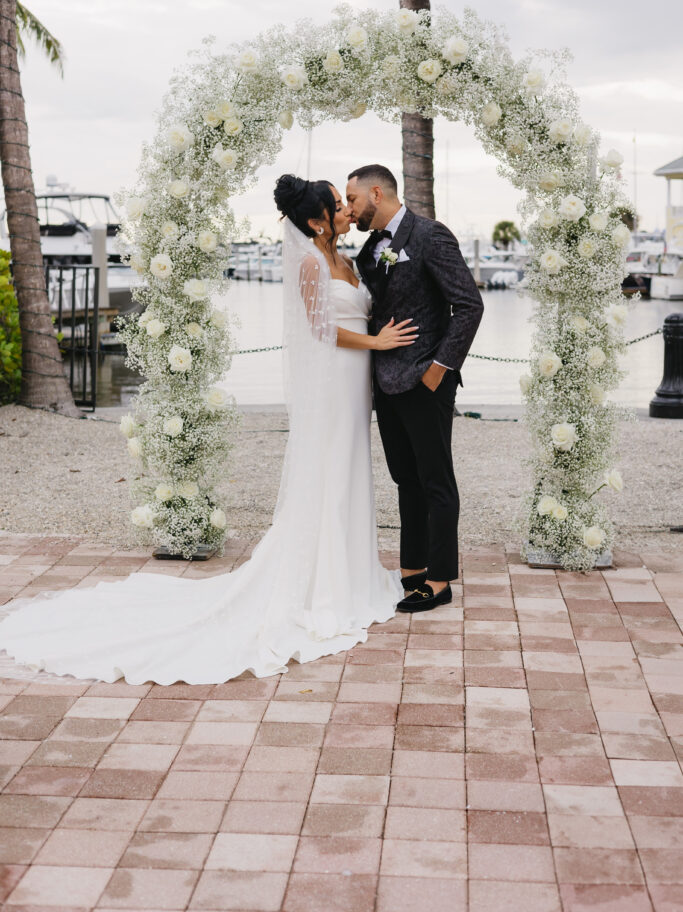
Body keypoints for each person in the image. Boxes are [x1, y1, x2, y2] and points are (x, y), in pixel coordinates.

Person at [0, 176, 413, 685]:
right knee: (327, 472)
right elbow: (321, 330)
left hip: (355, 389)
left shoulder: (347, 261)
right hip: (332, 387)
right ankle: (323, 586)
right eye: (337, 206)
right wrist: (380, 343)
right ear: (315, 221)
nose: (347, 211)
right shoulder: (308, 263)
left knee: (350, 470)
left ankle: (350, 572)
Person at [347, 164, 484, 613]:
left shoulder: (430, 235)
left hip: (426, 381)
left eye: (352, 200)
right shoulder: (370, 250)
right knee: (405, 480)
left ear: (376, 192)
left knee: (435, 481)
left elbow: (468, 305)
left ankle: (441, 580)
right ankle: (413, 570)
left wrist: (438, 369)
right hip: (386, 384)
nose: (351, 210)